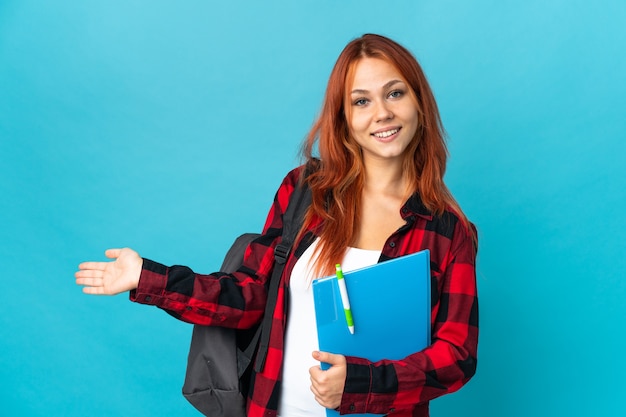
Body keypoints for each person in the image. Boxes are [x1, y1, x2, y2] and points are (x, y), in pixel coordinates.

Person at [75, 33, 478, 417]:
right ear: (344, 117)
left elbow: (456, 356)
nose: (382, 113)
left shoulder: (447, 231)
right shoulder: (305, 192)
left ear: (418, 102)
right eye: (360, 101)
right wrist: (148, 278)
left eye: (394, 93)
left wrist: (360, 383)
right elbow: (249, 295)